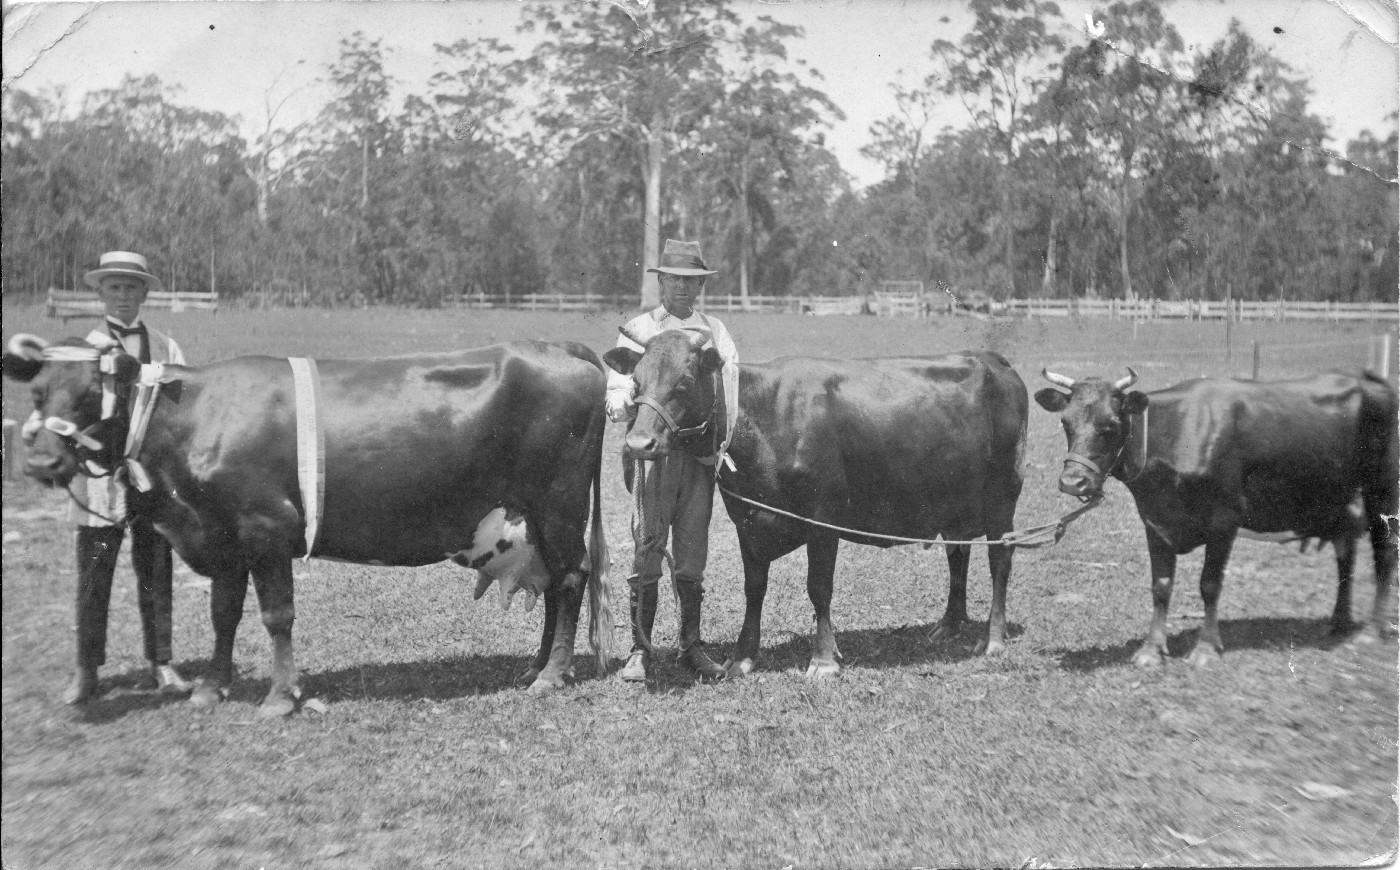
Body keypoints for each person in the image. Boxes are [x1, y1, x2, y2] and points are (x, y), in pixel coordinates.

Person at [605, 239, 739, 682]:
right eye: (674, 279)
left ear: (700, 286)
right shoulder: (637, 329)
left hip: (697, 457)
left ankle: (690, 645)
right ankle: (639, 650)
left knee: (692, 550)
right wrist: (621, 401)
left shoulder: (712, 333)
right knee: (647, 545)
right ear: (661, 281)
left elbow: (729, 388)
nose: (683, 288)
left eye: (691, 281)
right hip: (651, 457)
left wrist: (720, 446)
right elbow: (619, 383)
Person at [62, 251, 191, 704]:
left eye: (131, 287)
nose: (122, 295)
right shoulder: (78, 349)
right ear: (99, 292)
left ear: (144, 293)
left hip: (151, 478)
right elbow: (64, 417)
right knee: (95, 570)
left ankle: (162, 662)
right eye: (113, 287)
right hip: (98, 477)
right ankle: (86, 670)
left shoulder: (166, 345)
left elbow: (181, 411)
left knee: (156, 566)